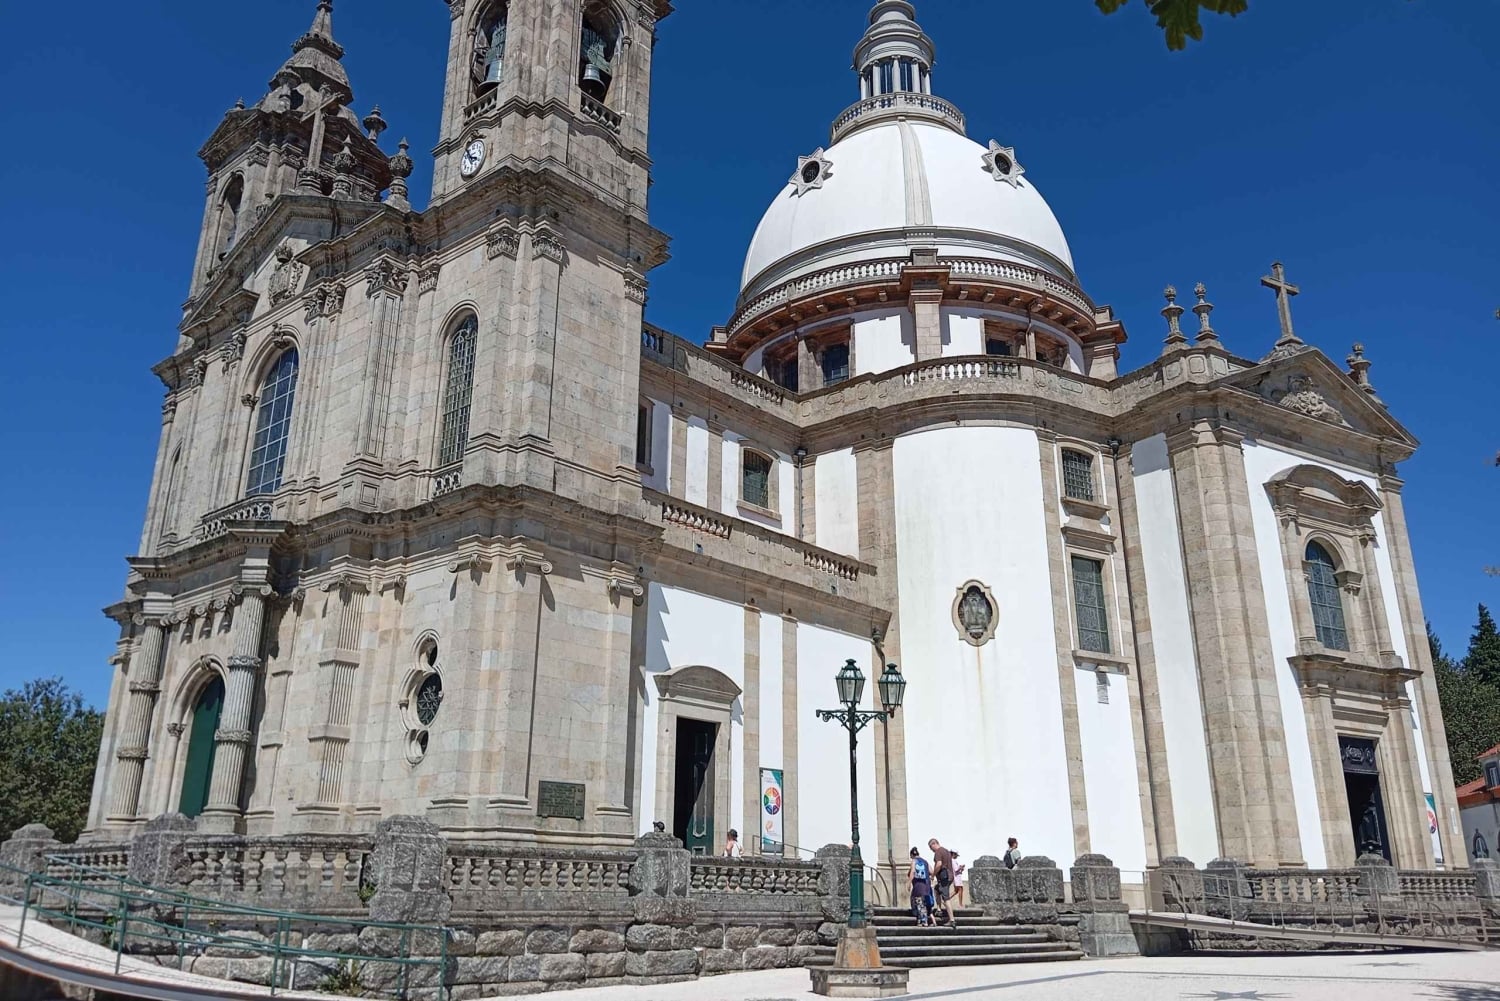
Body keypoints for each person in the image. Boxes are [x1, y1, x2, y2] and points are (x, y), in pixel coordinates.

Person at [928, 838, 957, 928]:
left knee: (946, 898)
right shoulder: (947, 851)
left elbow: (939, 864)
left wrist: (933, 875)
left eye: (930, 847)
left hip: (944, 877)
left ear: (934, 844)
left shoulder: (938, 852)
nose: (931, 850)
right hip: (949, 876)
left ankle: (952, 920)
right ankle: (939, 909)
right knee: (937, 889)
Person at [907, 847, 933, 927]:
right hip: (926, 885)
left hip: (918, 886)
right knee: (923, 903)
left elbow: (913, 872)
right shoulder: (925, 861)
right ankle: (920, 920)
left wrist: (909, 882)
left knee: (919, 903)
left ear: (912, 855)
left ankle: (924, 921)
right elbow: (931, 871)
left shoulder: (914, 861)